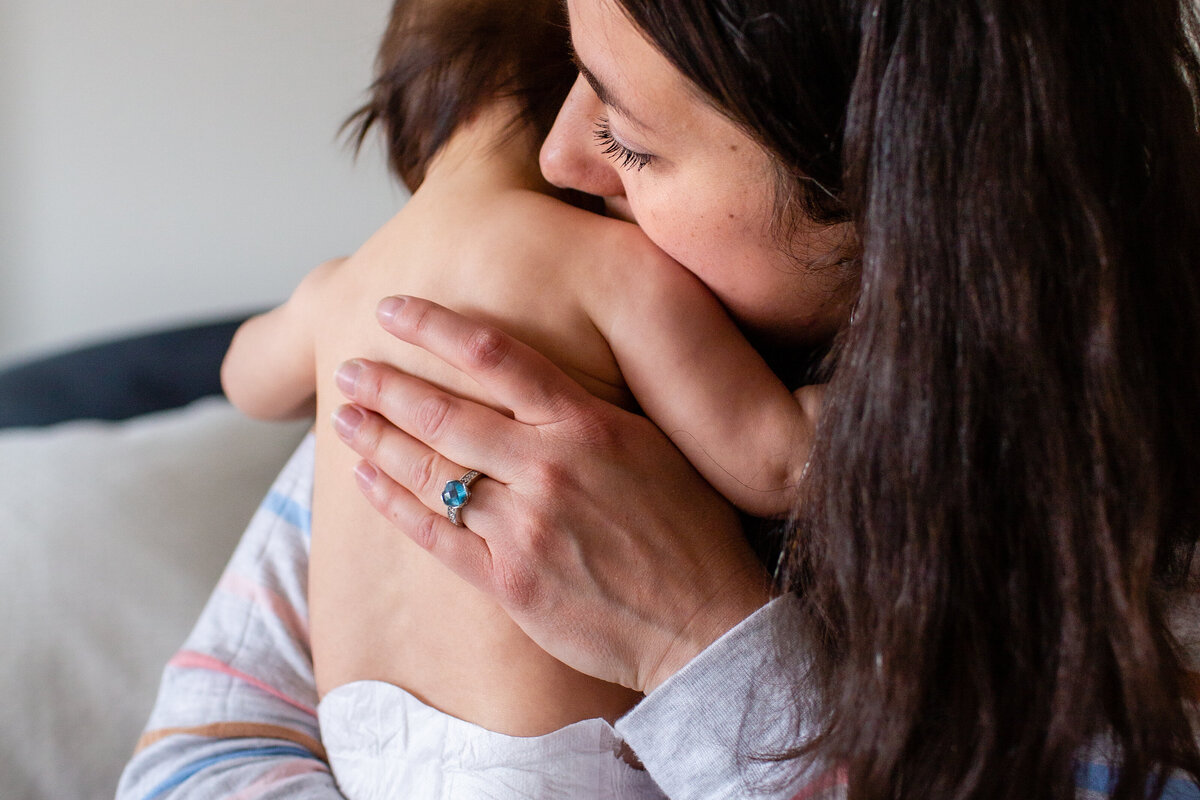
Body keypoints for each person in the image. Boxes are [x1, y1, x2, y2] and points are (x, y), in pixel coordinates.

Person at [119, 0, 1200, 798]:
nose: (557, 157)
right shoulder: (469, 397)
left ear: (902, 188)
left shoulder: (1146, 567)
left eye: (631, 135)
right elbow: (192, 757)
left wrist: (697, 641)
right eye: (571, 75)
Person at [224, 0, 821, 794]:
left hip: (354, 745)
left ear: (395, 122)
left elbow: (241, 378)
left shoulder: (339, 290)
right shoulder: (609, 265)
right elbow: (773, 464)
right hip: (545, 763)